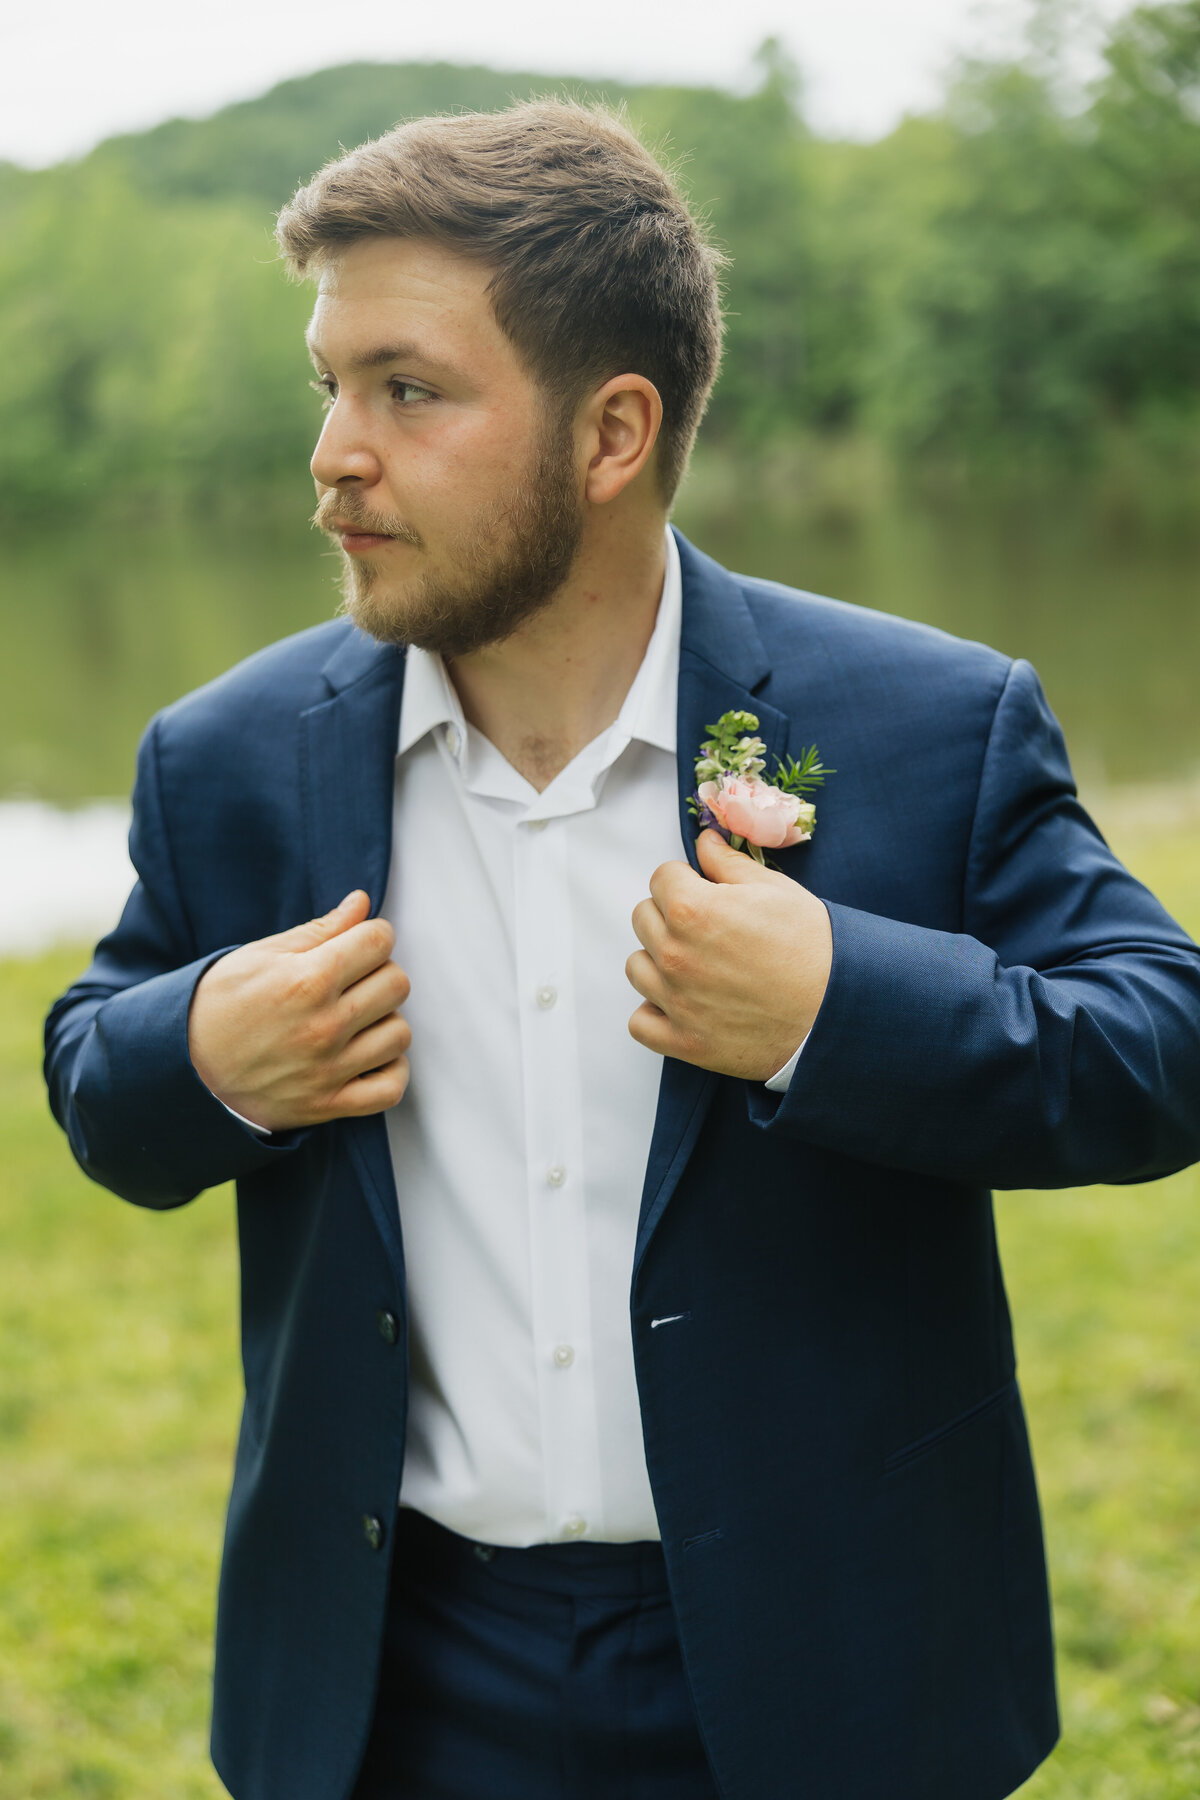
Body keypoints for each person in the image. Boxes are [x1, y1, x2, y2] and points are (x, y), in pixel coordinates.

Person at [44, 99, 1200, 1800]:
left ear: (611, 432)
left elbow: (1160, 1048)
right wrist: (207, 1052)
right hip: (390, 1676)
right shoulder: (225, 757)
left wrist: (833, 1010)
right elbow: (94, 1075)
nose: (335, 453)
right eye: (330, 385)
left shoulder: (933, 722)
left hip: (836, 1659)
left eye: (407, 390)